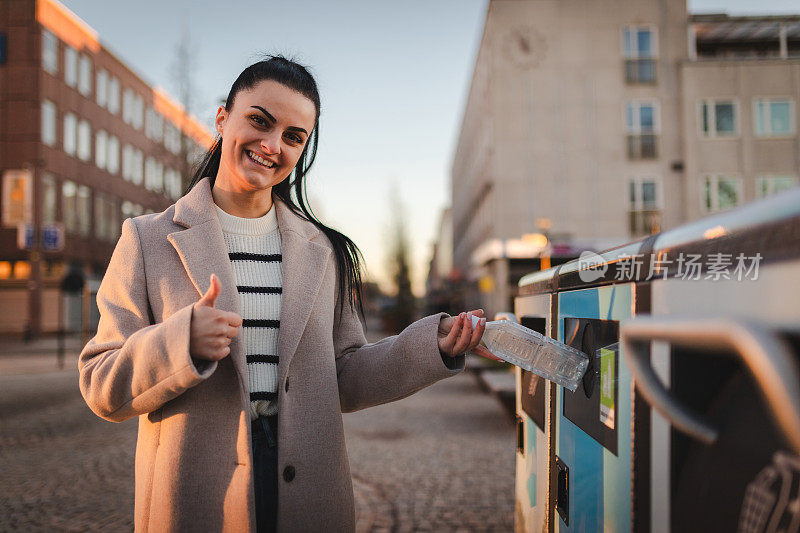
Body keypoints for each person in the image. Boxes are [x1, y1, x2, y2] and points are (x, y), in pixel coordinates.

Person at [78, 56, 495, 532]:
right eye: (259, 120)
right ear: (222, 119)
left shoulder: (324, 251)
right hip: (194, 503)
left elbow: (346, 375)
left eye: (294, 136)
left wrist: (433, 345)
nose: (272, 145)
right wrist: (181, 342)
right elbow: (100, 384)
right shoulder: (146, 240)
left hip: (310, 497)